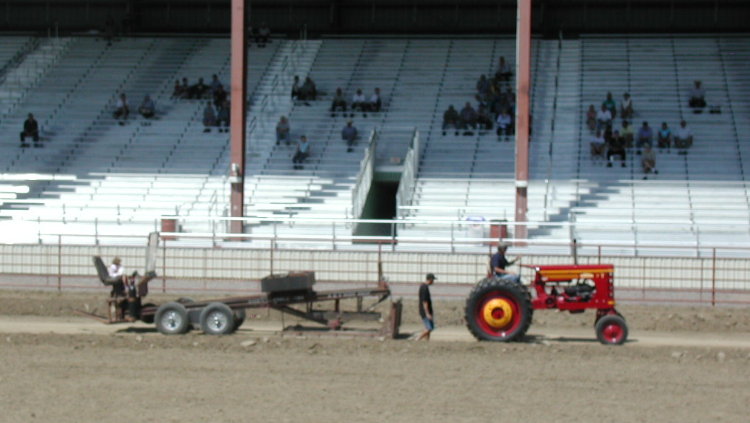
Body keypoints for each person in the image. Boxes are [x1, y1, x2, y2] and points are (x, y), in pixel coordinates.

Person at [416, 273, 436, 341]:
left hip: (426, 310)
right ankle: (417, 339)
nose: (433, 281)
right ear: (430, 279)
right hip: (425, 311)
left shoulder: (423, 286)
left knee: (429, 327)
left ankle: (427, 340)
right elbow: (425, 302)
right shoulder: (424, 288)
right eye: (433, 280)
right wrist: (427, 313)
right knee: (429, 328)